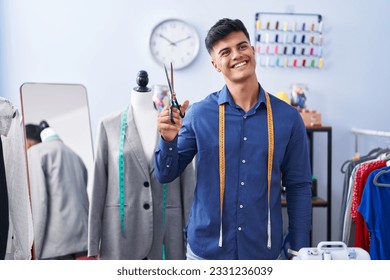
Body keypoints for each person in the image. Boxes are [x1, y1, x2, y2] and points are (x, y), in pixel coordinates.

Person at [154, 18, 312, 260]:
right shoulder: (199, 114)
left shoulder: (288, 118)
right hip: (205, 254)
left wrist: (298, 247)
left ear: (253, 50)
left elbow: (298, 185)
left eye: (242, 46)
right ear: (216, 64)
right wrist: (168, 140)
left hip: (263, 253)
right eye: (225, 52)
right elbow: (165, 174)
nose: (237, 55)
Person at [88, 71, 195, 260]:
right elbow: (98, 186)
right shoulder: (108, 125)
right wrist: (92, 244)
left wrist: (192, 240)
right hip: (120, 236)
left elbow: (188, 187)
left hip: (167, 236)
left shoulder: (175, 126)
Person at [27, 121, 89, 259]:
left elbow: (39, 203)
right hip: (82, 243)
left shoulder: (35, 154)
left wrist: (34, 251)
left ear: (28, 143)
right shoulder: (75, 156)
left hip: (54, 247)